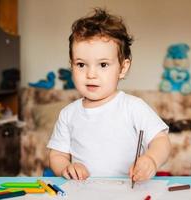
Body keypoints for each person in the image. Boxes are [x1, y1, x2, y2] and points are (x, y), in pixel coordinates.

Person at [47, 8, 171, 183]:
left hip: (129, 192)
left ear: (123, 68)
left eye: (103, 65)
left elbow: (161, 140)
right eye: (81, 64)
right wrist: (66, 168)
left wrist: (152, 159)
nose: (91, 74)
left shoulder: (133, 107)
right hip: (85, 193)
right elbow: (57, 155)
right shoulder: (68, 114)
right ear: (71, 66)